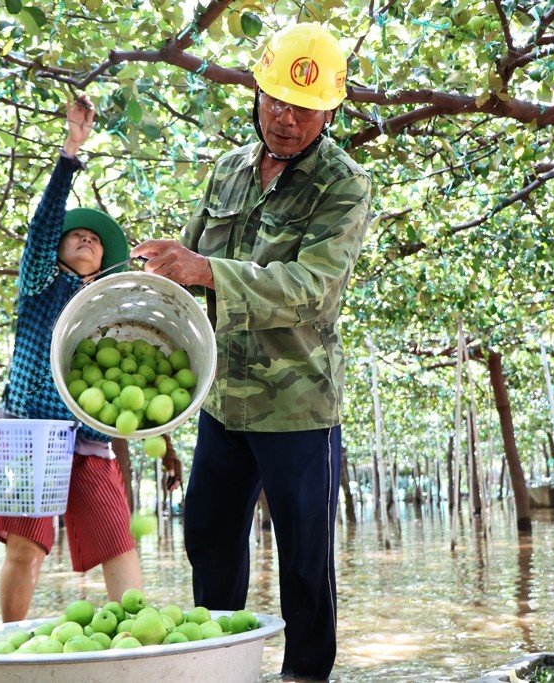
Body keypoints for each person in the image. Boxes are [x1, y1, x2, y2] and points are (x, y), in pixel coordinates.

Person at [131, 22, 372, 681]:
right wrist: (158, 273)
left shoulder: (344, 186)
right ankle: (217, 667)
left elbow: (311, 289)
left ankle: (306, 674)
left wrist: (205, 269)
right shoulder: (229, 169)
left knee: (304, 561)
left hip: (299, 406)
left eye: (304, 108)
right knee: (207, 537)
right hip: (225, 399)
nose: (286, 119)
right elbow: (190, 262)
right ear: (256, 92)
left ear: (331, 111)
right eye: (275, 101)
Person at [0, 94, 142, 622]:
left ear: (103, 263)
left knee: (117, 539)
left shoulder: (106, 308)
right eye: (75, 235)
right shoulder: (39, 284)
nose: (85, 239)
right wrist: (70, 152)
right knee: (26, 546)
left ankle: (136, 640)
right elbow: (39, 231)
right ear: (56, 251)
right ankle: (10, 647)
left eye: (95, 242)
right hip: (28, 430)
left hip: (88, 435)